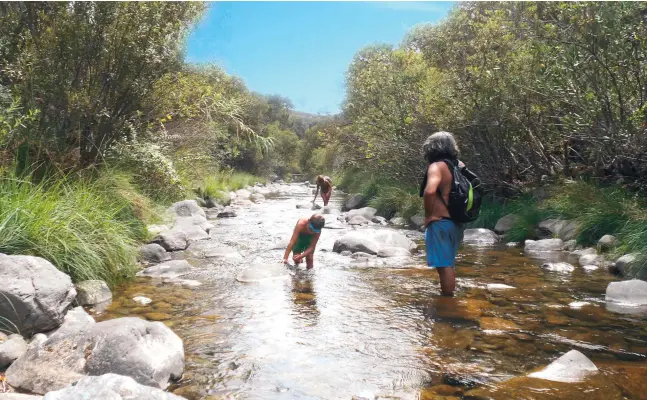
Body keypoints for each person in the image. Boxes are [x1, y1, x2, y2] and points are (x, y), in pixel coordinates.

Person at [421, 131, 464, 296]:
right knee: (449, 262)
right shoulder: (458, 165)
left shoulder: (436, 166)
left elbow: (430, 191)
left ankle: (447, 304)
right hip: (456, 222)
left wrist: (429, 215)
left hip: (440, 223)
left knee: (443, 265)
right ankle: (450, 297)